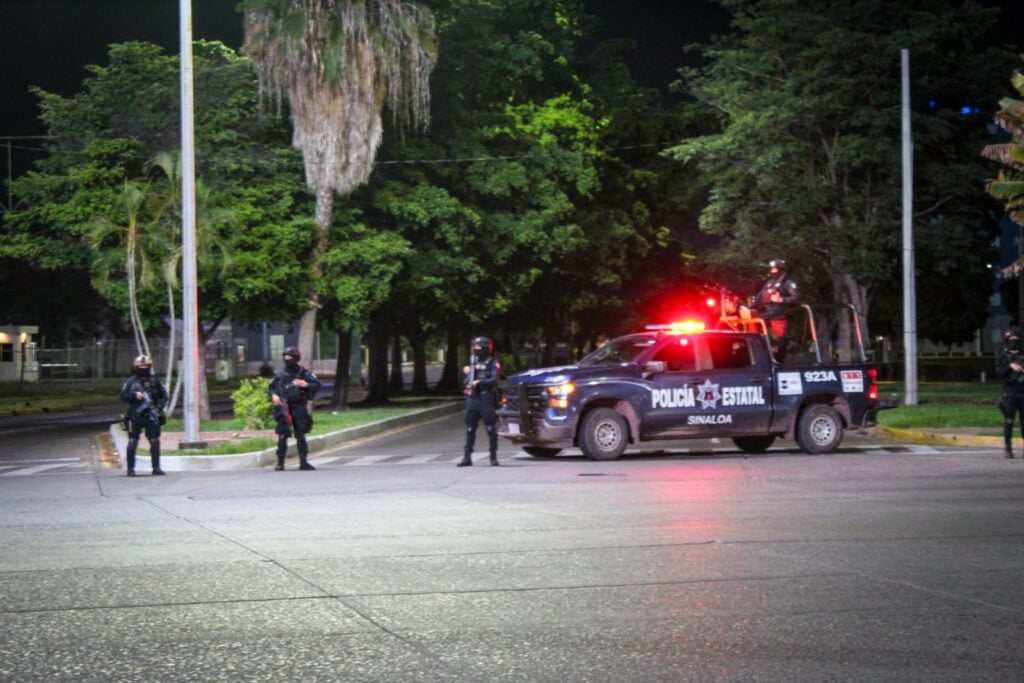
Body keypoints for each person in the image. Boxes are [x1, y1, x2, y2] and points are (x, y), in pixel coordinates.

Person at [268, 346, 321, 471]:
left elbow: (317, 385)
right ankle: (280, 463)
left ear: (296, 358)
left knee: (300, 434)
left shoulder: (304, 373)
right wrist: (274, 396)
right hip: (284, 407)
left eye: (289, 356)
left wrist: (306, 384)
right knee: (282, 434)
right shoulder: (280, 374)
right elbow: (271, 388)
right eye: (285, 357)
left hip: (299, 406)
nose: (287, 359)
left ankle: (303, 462)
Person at [120, 354, 168, 477]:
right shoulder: (130, 382)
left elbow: (164, 396)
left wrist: (158, 409)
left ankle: (156, 467)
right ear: (136, 367)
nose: (143, 368)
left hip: (152, 415)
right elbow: (123, 397)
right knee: (132, 442)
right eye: (141, 366)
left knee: (155, 441)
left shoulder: (155, 380)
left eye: (146, 366)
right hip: (135, 416)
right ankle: (130, 469)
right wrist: (134, 395)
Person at [458, 336, 501, 467]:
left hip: (486, 397)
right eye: (475, 348)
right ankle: (467, 457)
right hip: (473, 398)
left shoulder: (493, 363)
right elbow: (467, 381)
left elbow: (494, 380)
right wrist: (467, 373)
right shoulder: (472, 362)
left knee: (490, 428)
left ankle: (493, 457)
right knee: (470, 428)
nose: (476, 350)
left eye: (479, 348)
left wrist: (480, 382)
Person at [753, 259, 800, 340]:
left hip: (780, 314)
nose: (772, 271)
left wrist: (781, 299)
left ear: (781, 270)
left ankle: (780, 350)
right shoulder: (769, 283)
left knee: (780, 338)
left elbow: (796, 298)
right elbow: (759, 296)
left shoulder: (788, 283)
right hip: (767, 313)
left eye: (774, 269)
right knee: (754, 329)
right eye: (772, 269)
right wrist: (750, 307)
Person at [996, 328, 1024, 459]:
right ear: (1007, 341)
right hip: (1010, 392)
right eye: (1011, 340)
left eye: (1016, 339)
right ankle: (1008, 448)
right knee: (1009, 421)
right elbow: (1000, 374)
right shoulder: (1003, 355)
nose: (1014, 342)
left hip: (1023, 392)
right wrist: (1010, 366)